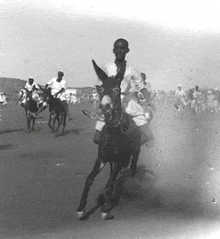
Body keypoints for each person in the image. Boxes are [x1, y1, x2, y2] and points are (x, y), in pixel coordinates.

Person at [93, 38, 153, 145]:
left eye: (122, 48)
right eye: (117, 48)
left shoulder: (132, 70)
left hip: (127, 102)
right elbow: (99, 85)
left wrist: (147, 100)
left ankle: (131, 149)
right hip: (110, 101)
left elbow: (141, 87)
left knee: (148, 135)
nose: (119, 51)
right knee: (97, 138)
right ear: (113, 50)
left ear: (127, 50)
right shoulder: (107, 67)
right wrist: (100, 99)